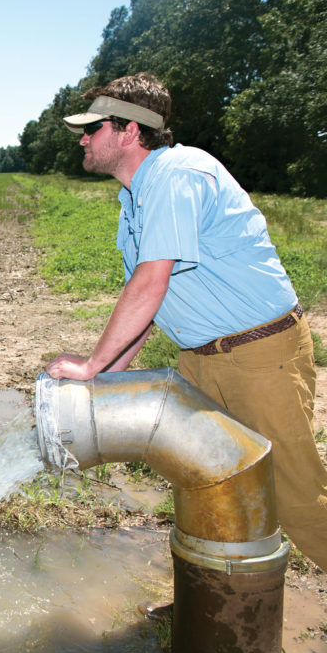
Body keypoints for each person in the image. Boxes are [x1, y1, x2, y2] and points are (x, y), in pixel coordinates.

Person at [46, 72, 326, 570]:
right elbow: (147, 305)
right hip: (201, 359)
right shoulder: (134, 197)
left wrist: (92, 365)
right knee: (208, 481)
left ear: (129, 131)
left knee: (299, 499)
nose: (83, 139)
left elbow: (151, 281)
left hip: (259, 357)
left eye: (92, 128)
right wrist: (107, 373)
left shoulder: (179, 175)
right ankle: (213, 602)